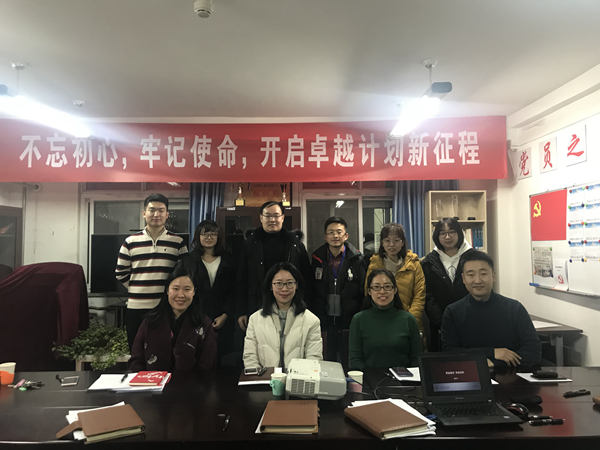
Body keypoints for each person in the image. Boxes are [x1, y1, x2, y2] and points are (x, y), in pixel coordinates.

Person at [441, 250, 541, 370]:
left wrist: (494, 364)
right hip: (470, 376)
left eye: (483, 274)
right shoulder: (453, 312)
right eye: (471, 275)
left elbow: (533, 352)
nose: (477, 280)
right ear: (463, 278)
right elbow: (450, 353)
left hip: (511, 376)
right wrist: (491, 353)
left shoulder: (514, 309)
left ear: (493, 276)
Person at [116, 193, 188, 348]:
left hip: (166, 308)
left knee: (165, 351)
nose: (156, 214)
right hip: (136, 308)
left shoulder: (178, 242)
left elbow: (183, 276)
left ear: (167, 214)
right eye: (152, 210)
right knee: (137, 351)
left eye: (161, 210)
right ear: (144, 213)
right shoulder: (130, 242)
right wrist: (138, 288)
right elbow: (121, 273)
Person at [236, 201, 312, 332]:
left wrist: (305, 306)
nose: (272, 220)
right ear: (261, 218)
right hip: (257, 304)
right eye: (268, 216)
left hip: (290, 304)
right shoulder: (249, 244)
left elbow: (306, 278)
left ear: (282, 217)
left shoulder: (295, 244)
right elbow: (241, 279)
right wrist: (241, 311)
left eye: (276, 215)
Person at [128, 265, 217, 371]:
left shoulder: (204, 324)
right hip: (152, 380)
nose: (181, 295)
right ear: (167, 290)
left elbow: (207, 365)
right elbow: (136, 361)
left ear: (194, 292)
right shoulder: (150, 321)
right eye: (175, 289)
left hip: (191, 381)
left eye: (187, 289)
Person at [243, 262, 322, 369]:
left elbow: (314, 360)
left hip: (298, 379)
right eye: (279, 283)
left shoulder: (311, 321)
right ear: (270, 286)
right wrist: (262, 378)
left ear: (296, 285)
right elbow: (250, 357)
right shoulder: (255, 319)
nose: (284, 289)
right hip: (264, 378)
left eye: (289, 283)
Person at [180, 220, 236, 365]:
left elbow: (235, 289)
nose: (209, 237)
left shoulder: (230, 259)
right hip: (195, 317)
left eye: (213, 234)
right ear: (198, 236)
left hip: (223, 317)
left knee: (223, 360)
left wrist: (226, 314)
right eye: (204, 234)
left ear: (219, 237)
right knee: (197, 359)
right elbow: (181, 288)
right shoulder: (188, 260)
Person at [311, 216, 364, 364]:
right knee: (326, 361)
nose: (335, 236)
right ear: (325, 236)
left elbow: (362, 290)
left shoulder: (357, 259)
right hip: (324, 321)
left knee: (348, 361)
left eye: (339, 232)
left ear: (346, 235)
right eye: (331, 232)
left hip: (349, 321)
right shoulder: (317, 258)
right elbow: (312, 289)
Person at [349, 268, 421, 370]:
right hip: (369, 378)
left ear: (395, 290)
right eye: (376, 287)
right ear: (369, 291)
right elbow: (355, 360)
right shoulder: (359, 320)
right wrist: (371, 377)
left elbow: (416, 359)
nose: (382, 291)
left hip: (403, 378)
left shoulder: (408, 320)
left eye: (387, 287)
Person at [421, 218, 474, 351]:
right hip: (439, 326)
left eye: (452, 232)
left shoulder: (473, 257)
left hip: (470, 320)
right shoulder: (428, 262)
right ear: (437, 236)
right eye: (442, 233)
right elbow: (427, 295)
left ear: (459, 233)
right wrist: (442, 321)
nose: (447, 237)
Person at [365, 223, 425, 334]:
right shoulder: (374, 264)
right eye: (387, 240)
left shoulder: (413, 263)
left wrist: (410, 320)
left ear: (402, 242)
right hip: (381, 321)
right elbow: (369, 293)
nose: (392, 245)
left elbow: (419, 295)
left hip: (408, 320)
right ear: (382, 243)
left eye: (396, 240)